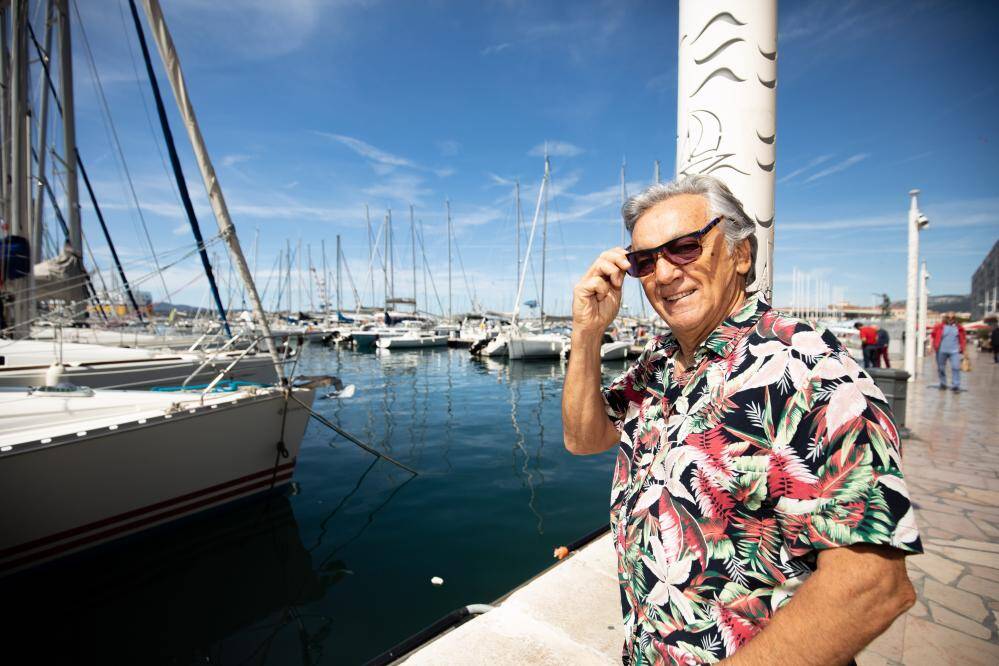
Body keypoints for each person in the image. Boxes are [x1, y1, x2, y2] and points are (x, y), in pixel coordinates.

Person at [562, 175, 921, 665]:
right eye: (644, 261)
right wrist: (586, 333)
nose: (665, 274)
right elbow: (584, 438)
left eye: (686, 248)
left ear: (741, 254)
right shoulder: (661, 362)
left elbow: (874, 584)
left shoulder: (805, 366)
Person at [931, 312, 966, 391]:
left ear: (955, 319)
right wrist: (932, 346)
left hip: (955, 351)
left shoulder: (959, 328)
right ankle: (943, 383)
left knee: (956, 367)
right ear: (945, 318)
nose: (950, 319)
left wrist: (963, 349)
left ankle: (956, 385)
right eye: (948, 317)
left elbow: (963, 338)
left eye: (952, 318)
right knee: (941, 368)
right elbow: (933, 336)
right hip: (941, 350)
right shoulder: (939, 327)